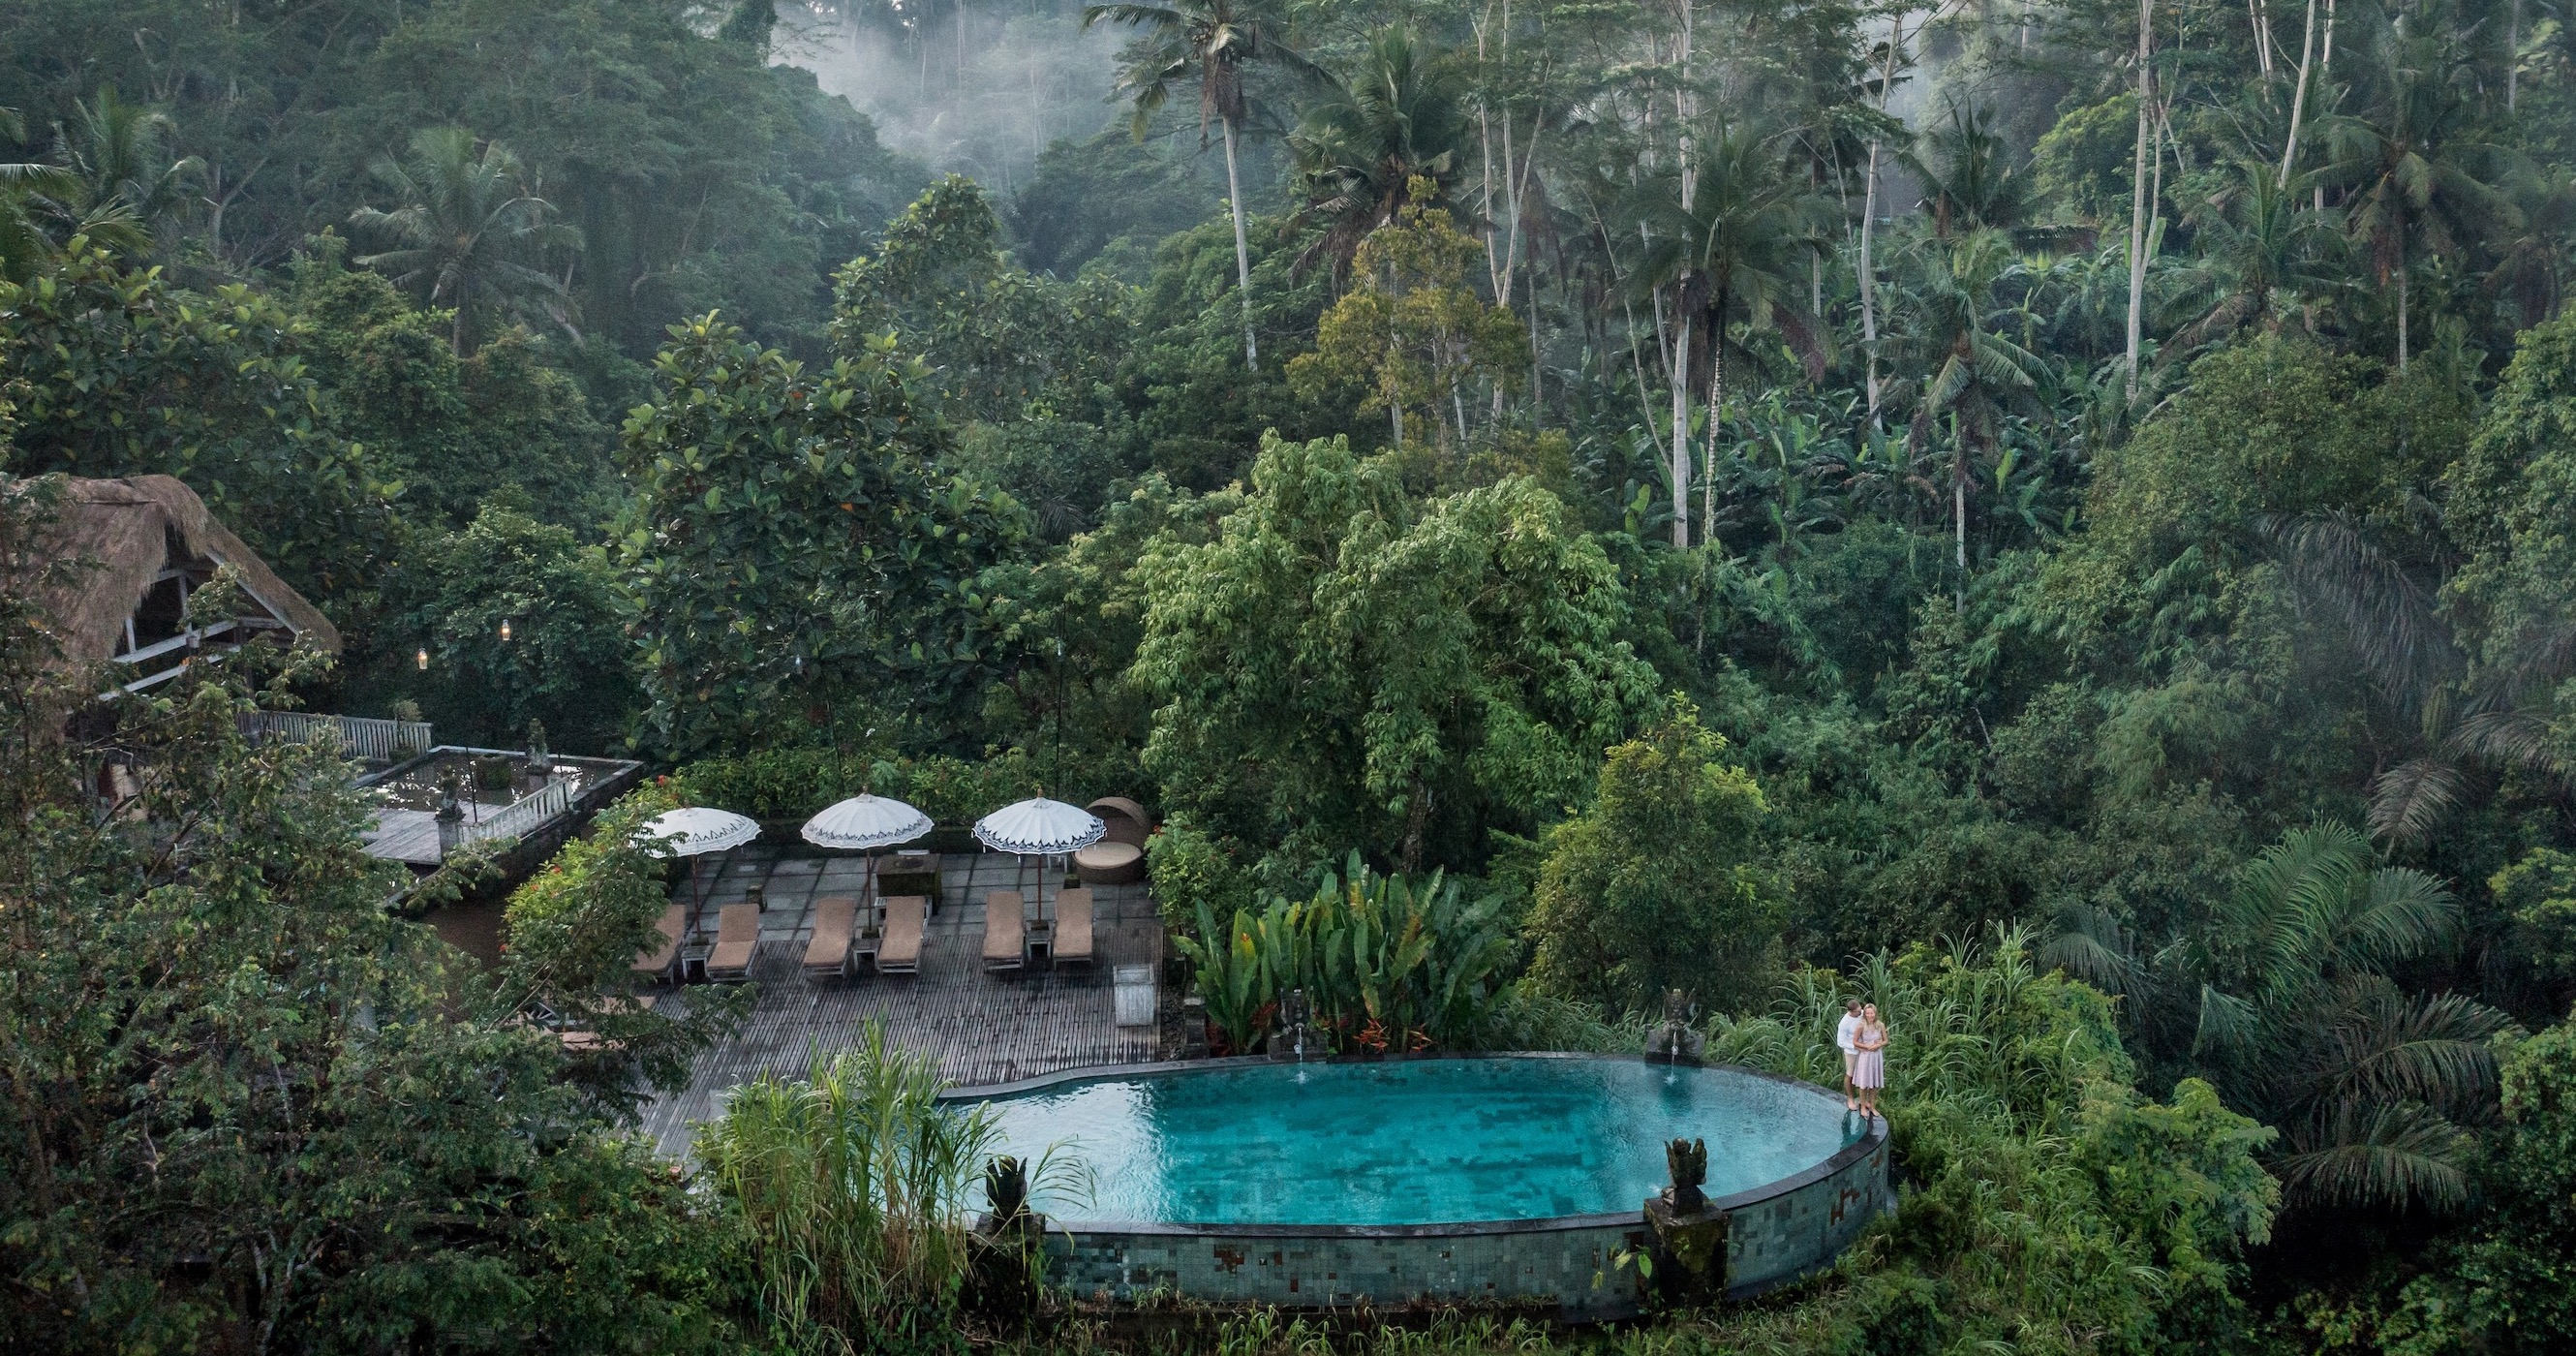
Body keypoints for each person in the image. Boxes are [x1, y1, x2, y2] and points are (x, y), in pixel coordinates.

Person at [1853, 1003, 1888, 1117]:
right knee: (1864, 1083)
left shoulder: (1880, 1025)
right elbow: (1855, 1041)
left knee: (1874, 1084)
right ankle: (1863, 1106)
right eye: (1867, 1013)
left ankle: (1872, 1106)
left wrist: (1878, 1045)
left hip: (1876, 1056)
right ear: (1865, 1014)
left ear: (1875, 1013)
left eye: (1871, 1013)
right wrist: (1867, 1047)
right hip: (1865, 1056)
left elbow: (1885, 1040)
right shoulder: (1861, 1026)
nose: (1870, 1015)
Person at [1834, 999, 1864, 1110]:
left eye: (1860, 1010)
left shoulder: (1861, 1014)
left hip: (1864, 1050)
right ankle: (1850, 1098)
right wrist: (1855, 1046)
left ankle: (1862, 1099)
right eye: (1857, 1011)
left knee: (1863, 1074)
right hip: (1851, 1052)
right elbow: (1840, 1042)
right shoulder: (1844, 1023)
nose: (1860, 1012)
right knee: (1850, 1074)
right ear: (1851, 1012)